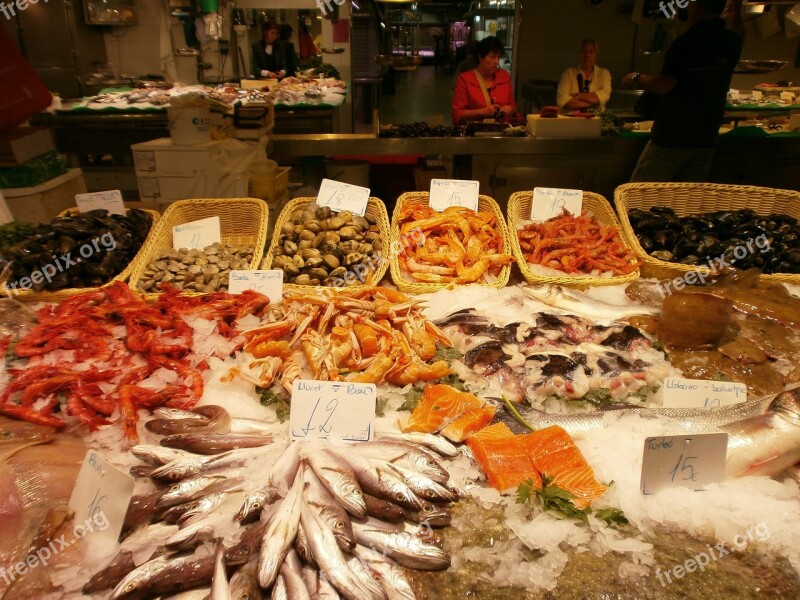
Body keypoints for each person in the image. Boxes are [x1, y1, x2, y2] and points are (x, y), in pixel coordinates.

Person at [623, 0, 743, 182]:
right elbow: (740, 33)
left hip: (672, 138)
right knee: (685, 201)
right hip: (706, 138)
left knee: (638, 197)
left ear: (697, 8)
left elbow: (665, 84)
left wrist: (635, 78)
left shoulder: (686, 43)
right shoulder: (730, 41)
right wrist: (737, 13)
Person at [451, 36, 517, 125]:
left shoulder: (504, 76)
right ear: (480, 57)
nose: (496, 62)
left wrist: (509, 109)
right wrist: (481, 112)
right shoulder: (465, 79)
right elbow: (457, 114)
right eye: (492, 57)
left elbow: (513, 105)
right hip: (476, 132)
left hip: (502, 131)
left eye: (498, 57)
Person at [556, 38, 612, 111]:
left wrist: (577, 95)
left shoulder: (604, 74)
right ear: (579, 54)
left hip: (596, 120)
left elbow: (605, 96)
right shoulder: (568, 74)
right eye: (584, 52)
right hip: (572, 121)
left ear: (596, 55)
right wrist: (594, 103)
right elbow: (562, 101)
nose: (587, 55)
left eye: (591, 52)